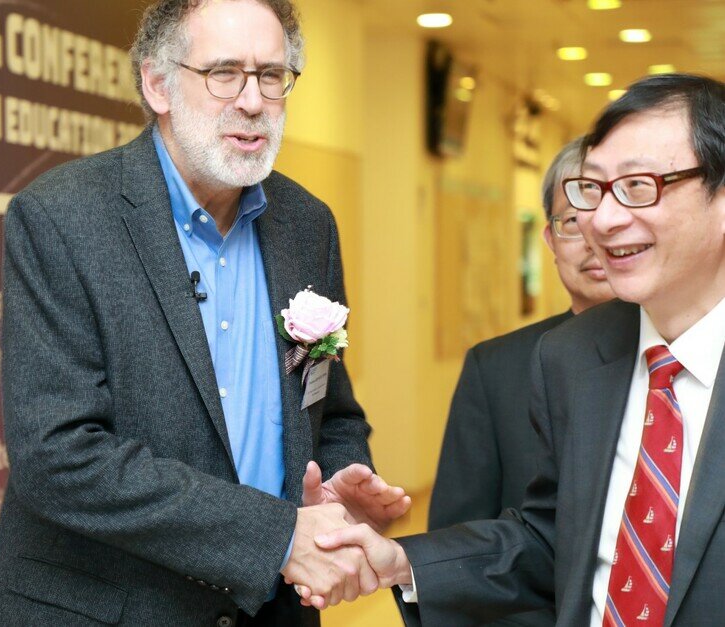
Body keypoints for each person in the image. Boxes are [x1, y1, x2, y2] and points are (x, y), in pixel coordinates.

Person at [0, 1, 411, 625]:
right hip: (109, 610)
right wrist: (278, 537)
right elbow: (58, 456)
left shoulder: (307, 224)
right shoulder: (62, 218)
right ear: (157, 84)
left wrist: (342, 477)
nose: (254, 100)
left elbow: (329, 406)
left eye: (271, 75)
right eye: (224, 73)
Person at [304, 73, 725, 626]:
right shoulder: (574, 357)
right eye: (592, 190)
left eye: (639, 187)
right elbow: (550, 539)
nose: (603, 219)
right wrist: (403, 562)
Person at [427, 137, 615, 626]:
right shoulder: (496, 368)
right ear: (550, 240)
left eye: (609, 215)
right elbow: (458, 540)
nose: (595, 240)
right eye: (573, 223)